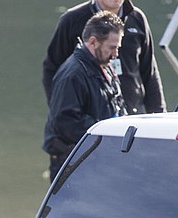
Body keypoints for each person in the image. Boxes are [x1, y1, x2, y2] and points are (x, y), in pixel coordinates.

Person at [43, 11, 127, 181]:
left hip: (96, 158)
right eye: (112, 47)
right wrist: (108, 132)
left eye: (118, 47)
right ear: (93, 42)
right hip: (73, 164)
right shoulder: (72, 75)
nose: (116, 54)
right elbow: (66, 122)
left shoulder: (104, 66)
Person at [43, 0, 165, 116]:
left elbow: (150, 73)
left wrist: (159, 117)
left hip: (132, 116)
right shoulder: (72, 19)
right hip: (87, 121)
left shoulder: (137, 18)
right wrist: (60, 112)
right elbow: (52, 69)